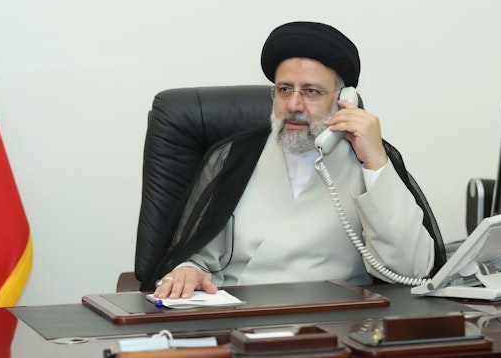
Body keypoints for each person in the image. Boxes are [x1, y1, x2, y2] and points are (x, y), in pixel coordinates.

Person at [150, 21, 436, 299]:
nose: (294, 105)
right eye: (285, 89)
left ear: (344, 99)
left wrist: (375, 163)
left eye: (311, 91)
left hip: (337, 326)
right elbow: (200, 258)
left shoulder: (368, 160)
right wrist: (187, 270)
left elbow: (412, 271)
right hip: (239, 321)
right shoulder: (234, 157)